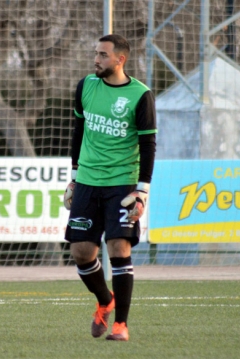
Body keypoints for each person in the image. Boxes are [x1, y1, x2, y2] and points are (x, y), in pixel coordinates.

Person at [64, 34, 157, 341]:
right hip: (88, 180)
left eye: (103, 55)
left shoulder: (140, 95)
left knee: (118, 246)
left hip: (122, 183)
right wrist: (74, 177)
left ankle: (121, 325)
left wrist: (142, 190)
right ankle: (106, 301)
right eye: (96, 54)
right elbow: (79, 131)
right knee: (81, 252)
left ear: (120, 59)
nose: (96, 59)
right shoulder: (85, 87)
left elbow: (148, 144)